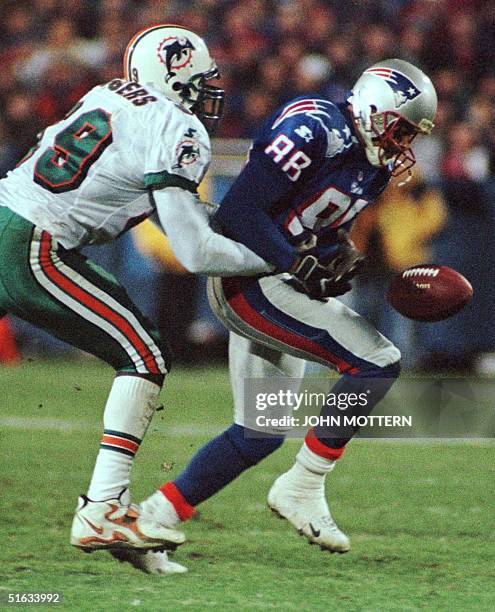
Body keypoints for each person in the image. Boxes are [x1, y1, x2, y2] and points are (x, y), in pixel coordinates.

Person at [0, 24, 294, 568]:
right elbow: (196, 252)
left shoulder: (109, 93)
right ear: (177, 75)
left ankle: (111, 518)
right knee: (143, 355)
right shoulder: (176, 126)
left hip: (8, 218)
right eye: (201, 79)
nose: (209, 92)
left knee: (139, 351)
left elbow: (170, 211)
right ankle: (102, 509)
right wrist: (281, 259)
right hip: (33, 243)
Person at [137, 59, 438, 573]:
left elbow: (312, 219)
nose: (402, 143)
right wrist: (298, 261)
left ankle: (149, 521)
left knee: (259, 431)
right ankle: (303, 484)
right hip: (250, 278)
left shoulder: (373, 161)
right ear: (372, 106)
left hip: (279, 279)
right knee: (377, 360)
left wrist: (336, 250)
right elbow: (240, 213)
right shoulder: (315, 127)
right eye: (400, 127)